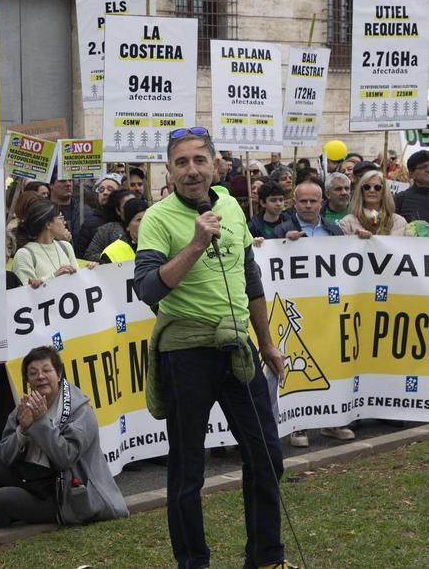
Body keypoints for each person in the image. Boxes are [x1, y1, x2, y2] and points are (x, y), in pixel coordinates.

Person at [132, 127, 287, 569]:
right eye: (181, 162)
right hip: (186, 354)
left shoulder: (233, 209)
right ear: (169, 170)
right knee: (187, 472)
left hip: (238, 347)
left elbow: (250, 279)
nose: (192, 170)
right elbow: (147, 289)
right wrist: (197, 243)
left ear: (216, 165)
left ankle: (265, 558)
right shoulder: (159, 218)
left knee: (267, 456)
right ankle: (193, 563)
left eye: (200, 160)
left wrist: (268, 343)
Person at [0, 347, 128, 532]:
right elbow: (5, 455)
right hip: (33, 476)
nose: (40, 376)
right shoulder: (25, 407)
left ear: (59, 374)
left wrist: (40, 423)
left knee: (1, 499)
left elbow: (65, 458)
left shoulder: (80, 411)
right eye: (33, 373)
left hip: (63, 492)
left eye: (46, 370)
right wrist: (22, 430)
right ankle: (7, 512)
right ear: (28, 380)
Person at [271, 184, 355, 447]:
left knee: (329, 361)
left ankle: (332, 422)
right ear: (293, 203)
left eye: (313, 201)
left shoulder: (334, 230)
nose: (308, 205)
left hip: (328, 309)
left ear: (322, 202)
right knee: (299, 367)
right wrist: (281, 244)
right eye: (303, 201)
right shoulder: (282, 231)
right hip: (297, 307)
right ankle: (298, 426)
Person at [12, 199, 80, 287]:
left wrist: (91, 271)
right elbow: (23, 293)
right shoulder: (24, 254)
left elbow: (78, 280)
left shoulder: (66, 247)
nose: (64, 222)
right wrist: (54, 276)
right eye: (60, 218)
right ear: (48, 225)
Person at [338, 170, 411, 237]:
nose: (372, 190)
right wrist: (354, 238)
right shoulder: (347, 222)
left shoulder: (400, 222)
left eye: (377, 187)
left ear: (384, 192)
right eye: (367, 187)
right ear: (361, 191)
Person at [83, 188, 137, 262]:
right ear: (118, 210)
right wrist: (108, 258)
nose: (132, 209)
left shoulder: (148, 226)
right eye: (127, 206)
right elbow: (90, 256)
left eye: (135, 204)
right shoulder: (106, 230)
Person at [99, 198, 148, 264]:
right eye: (139, 220)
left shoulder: (160, 245)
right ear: (128, 226)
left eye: (148, 218)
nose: (145, 223)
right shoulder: (111, 253)